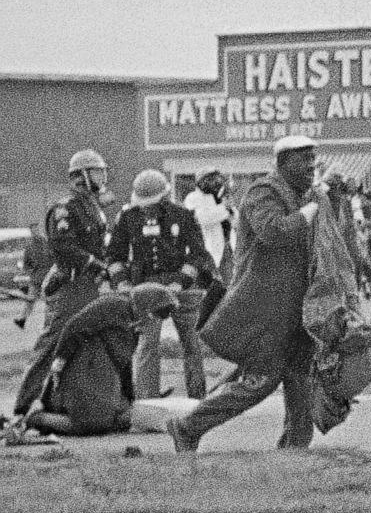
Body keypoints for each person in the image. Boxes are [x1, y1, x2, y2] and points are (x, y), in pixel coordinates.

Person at [166, 135, 325, 453]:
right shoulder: (263, 192)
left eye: (313, 159)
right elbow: (274, 232)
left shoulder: (304, 195)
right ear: (282, 163)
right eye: (303, 160)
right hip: (266, 307)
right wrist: (308, 212)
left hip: (296, 307)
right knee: (259, 381)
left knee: (299, 376)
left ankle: (295, 448)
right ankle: (187, 426)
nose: (311, 166)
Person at [13, 149, 111, 420]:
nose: (102, 176)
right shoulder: (65, 208)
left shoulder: (93, 206)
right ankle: (23, 407)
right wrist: (93, 263)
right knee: (52, 344)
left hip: (90, 286)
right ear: (81, 176)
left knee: (88, 344)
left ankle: (73, 403)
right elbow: (62, 246)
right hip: (69, 286)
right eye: (96, 171)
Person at [107, 169, 215, 400]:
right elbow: (114, 256)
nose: (147, 208)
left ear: (164, 197)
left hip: (180, 286)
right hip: (145, 287)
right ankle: (148, 398)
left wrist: (181, 282)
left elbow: (198, 255)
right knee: (147, 344)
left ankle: (197, 397)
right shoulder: (128, 218)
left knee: (191, 342)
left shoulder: (183, 215)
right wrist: (122, 283)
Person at [19, 284, 178, 436]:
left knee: (121, 420)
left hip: (102, 375)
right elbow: (73, 327)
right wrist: (59, 361)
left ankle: (58, 421)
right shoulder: (114, 305)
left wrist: (129, 398)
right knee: (91, 425)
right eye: (154, 314)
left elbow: (124, 363)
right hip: (83, 368)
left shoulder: (133, 323)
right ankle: (36, 419)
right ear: (145, 304)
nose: (154, 320)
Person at [183, 166, 236, 285]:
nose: (215, 183)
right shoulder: (193, 198)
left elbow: (235, 221)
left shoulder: (221, 197)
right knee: (210, 283)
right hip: (206, 248)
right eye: (211, 179)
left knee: (230, 283)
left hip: (227, 246)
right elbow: (201, 218)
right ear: (202, 182)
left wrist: (231, 210)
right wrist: (224, 208)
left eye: (217, 179)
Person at [13, 223, 54, 329]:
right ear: (31, 232)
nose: (36, 232)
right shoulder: (30, 247)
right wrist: (31, 272)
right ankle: (22, 319)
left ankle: (48, 323)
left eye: (37, 230)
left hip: (48, 277)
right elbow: (26, 264)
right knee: (30, 300)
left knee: (49, 301)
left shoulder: (47, 244)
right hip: (36, 278)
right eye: (33, 230)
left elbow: (54, 259)